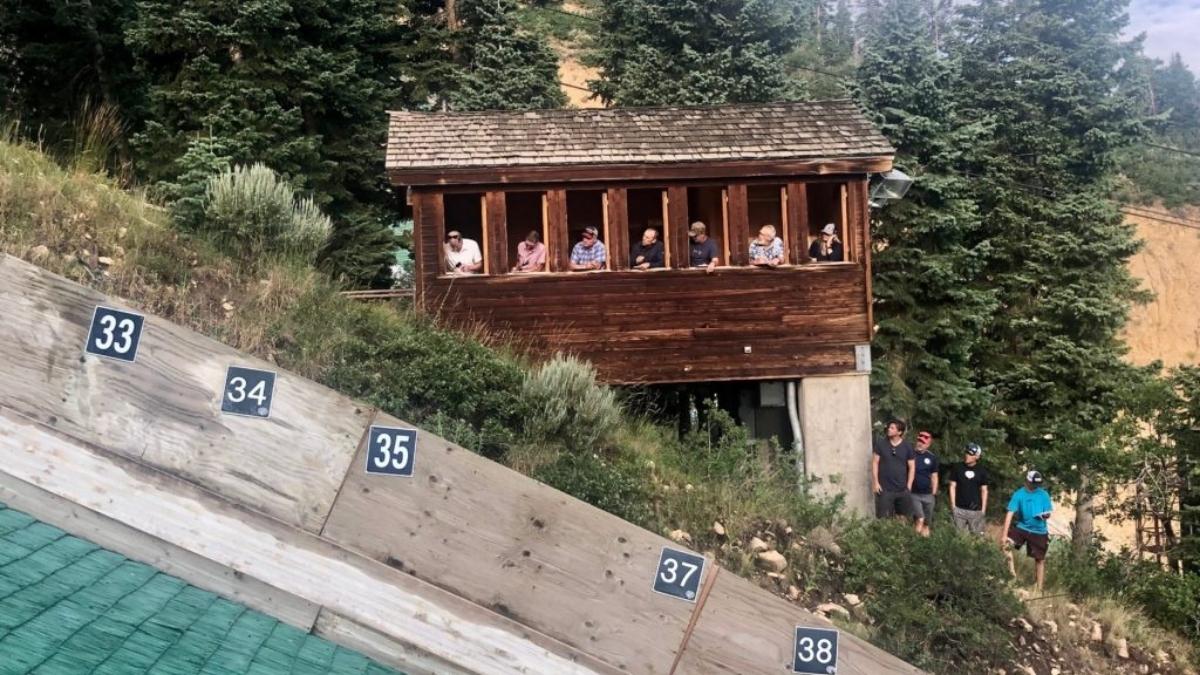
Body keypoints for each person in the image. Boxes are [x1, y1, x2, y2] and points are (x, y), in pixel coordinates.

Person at [1000, 470, 1053, 591]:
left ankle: (1039, 588)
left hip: (1039, 530)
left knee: (1040, 560)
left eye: (1038, 483)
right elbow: (1010, 513)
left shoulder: (1044, 494)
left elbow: (1048, 512)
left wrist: (1045, 515)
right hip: (1022, 528)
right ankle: (1012, 576)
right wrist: (1004, 535)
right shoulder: (1019, 494)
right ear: (1028, 481)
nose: (1036, 486)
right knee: (1005, 545)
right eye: (1034, 483)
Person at [871, 419, 915, 519]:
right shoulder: (881, 444)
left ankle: (900, 534)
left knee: (903, 518)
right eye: (889, 427)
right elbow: (874, 463)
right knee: (884, 518)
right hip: (885, 489)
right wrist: (876, 483)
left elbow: (912, 467)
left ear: (899, 432)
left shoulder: (907, 446)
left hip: (902, 489)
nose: (889, 429)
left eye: (892, 428)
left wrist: (909, 486)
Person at [949, 443, 989, 535]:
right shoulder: (957, 467)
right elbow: (952, 486)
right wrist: (953, 506)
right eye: (967, 453)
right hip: (959, 509)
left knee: (977, 538)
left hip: (976, 510)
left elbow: (984, 490)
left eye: (970, 454)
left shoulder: (982, 470)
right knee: (957, 538)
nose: (967, 455)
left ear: (977, 457)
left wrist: (983, 510)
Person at [910, 430, 939, 536]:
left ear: (928, 444)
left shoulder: (932, 457)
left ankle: (924, 546)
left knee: (926, 523)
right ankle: (914, 540)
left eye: (923, 442)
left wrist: (934, 492)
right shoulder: (911, 454)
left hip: (928, 494)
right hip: (914, 493)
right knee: (920, 518)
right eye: (919, 441)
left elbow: (934, 475)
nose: (920, 443)